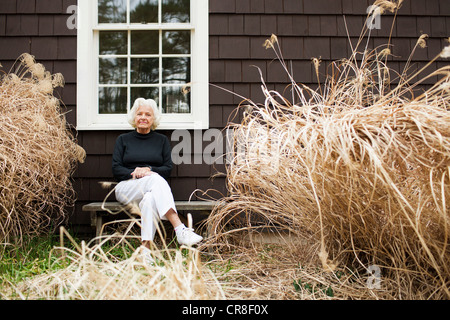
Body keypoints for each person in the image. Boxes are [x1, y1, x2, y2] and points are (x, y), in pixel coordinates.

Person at [112, 98, 203, 262]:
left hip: (152, 188)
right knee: (154, 179)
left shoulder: (161, 141)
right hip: (126, 188)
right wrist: (137, 172)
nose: (143, 117)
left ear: (153, 119)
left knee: (149, 199)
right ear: (134, 117)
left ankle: (146, 252)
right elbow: (116, 170)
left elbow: (167, 168)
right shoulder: (123, 140)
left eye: (148, 114)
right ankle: (179, 228)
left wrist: (149, 170)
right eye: (139, 114)